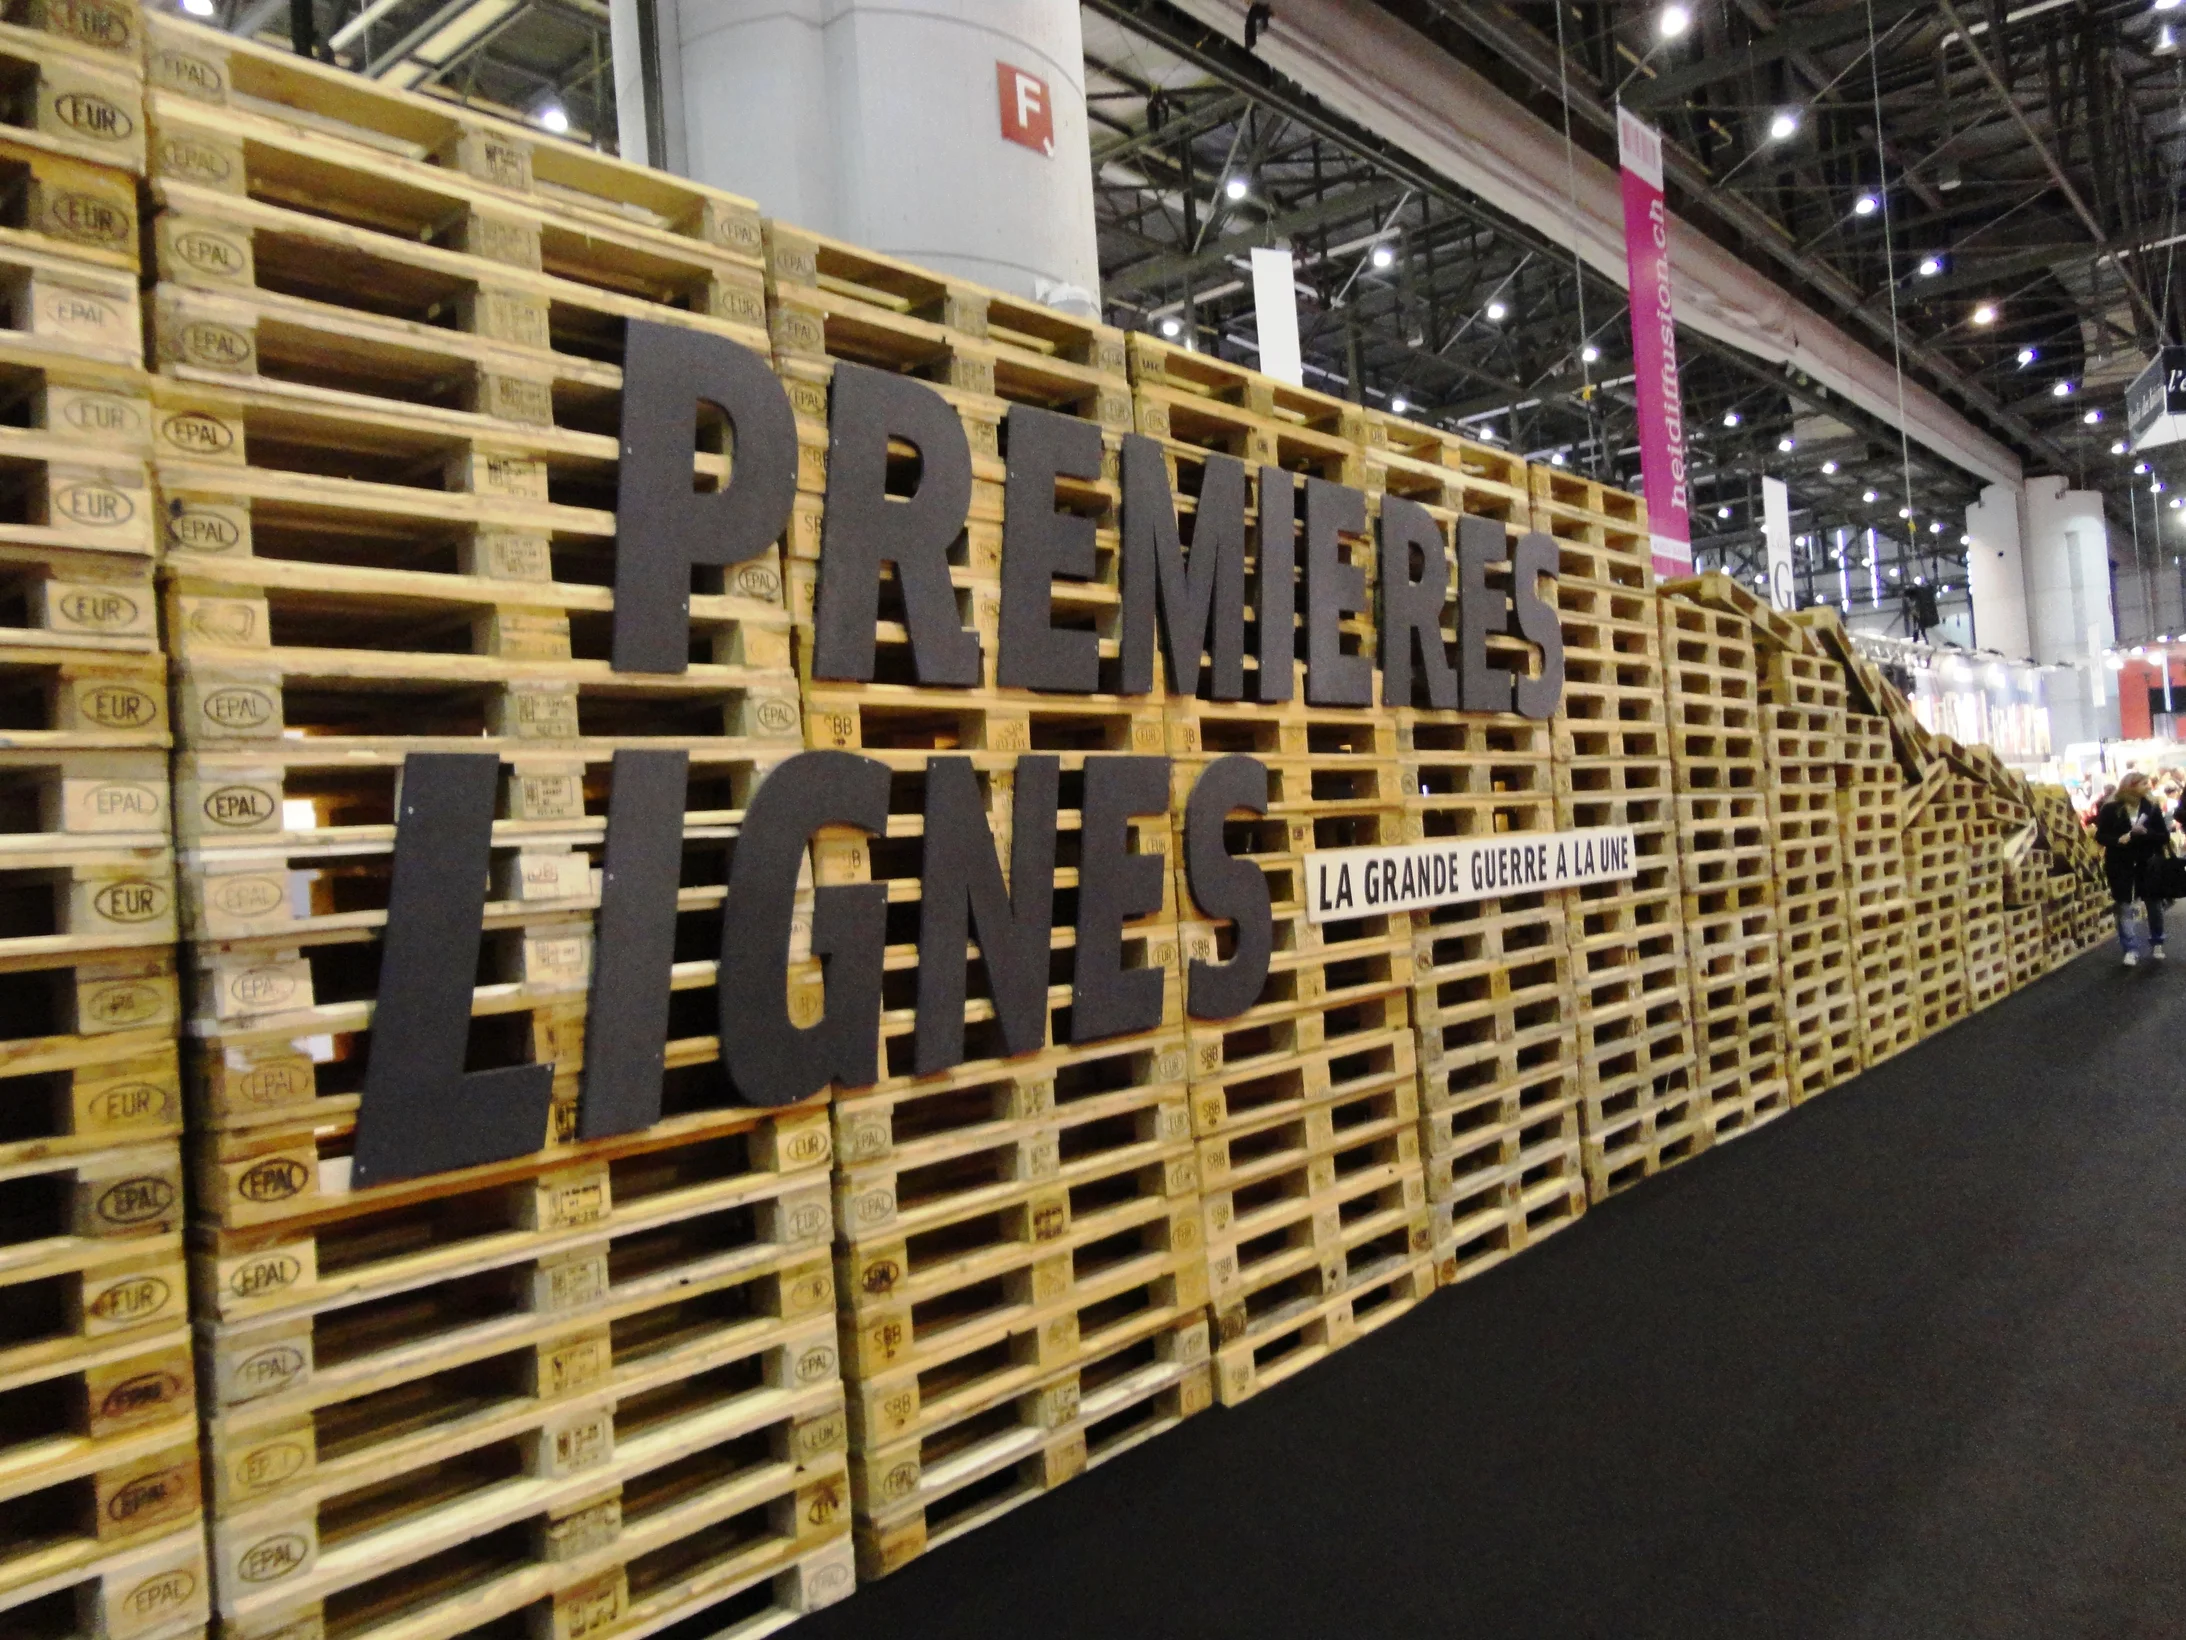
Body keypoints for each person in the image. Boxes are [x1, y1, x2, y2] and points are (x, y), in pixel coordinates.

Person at [2094, 771, 2170, 966]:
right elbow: (2101, 835)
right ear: (2131, 786)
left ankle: (2157, 941)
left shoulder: (2151, 807)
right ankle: (2130, 949)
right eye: (2143, 783)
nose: (2148, 786)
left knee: (2153, 904)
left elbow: (2164, 836)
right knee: (2124, 905)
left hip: (2148, 861)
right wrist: (2118, 840)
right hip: (2120, 863)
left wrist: (2146, 833)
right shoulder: (2111, 808)